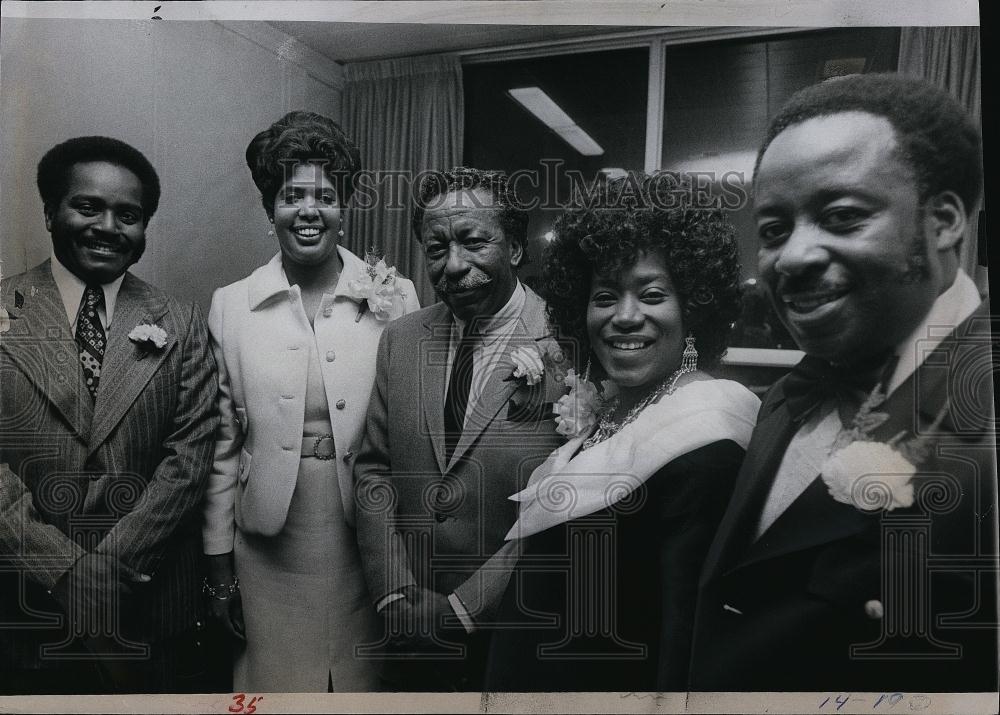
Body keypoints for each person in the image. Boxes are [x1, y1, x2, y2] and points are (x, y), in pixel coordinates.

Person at [688, 73, 998, 691]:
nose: (793, 256)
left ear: (943, 221)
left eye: (842, 216)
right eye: (773, 230)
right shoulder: (787, 396)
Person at [482, 173, 760, 691]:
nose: (625, 317)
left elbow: (685, 647)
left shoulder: (707, 443)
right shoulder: (615, 411)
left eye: (652, 295)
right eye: (605, 296)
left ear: (693, 307)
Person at [200, 111, 420, 692]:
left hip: (367, 536)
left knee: (361, 687)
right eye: (291, 196)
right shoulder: (231, 304)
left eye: (325, 196)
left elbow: (410, 433)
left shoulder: (396, 296)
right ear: (269, 207)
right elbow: (223, 445)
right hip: (269, 543)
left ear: (344, 207)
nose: (308, 211)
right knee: (274, 687)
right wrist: (218, 563)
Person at [0, 136, 218, 693]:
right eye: (87, 207)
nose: (107, 227)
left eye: (128, 215)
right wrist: (63, 569)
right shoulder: (2, 309)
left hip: (148, 605)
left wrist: (107, 570)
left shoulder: (182, 321)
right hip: (26, 606)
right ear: (50, 212)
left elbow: (189, 461)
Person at [353, 167, 566, 691]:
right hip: (406, 632)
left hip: (515, 632)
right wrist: (393, 592)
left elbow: (565, 501)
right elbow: (373, 471)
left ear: (515, 247)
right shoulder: (402, 339)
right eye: (436, 248)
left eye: (473, 242)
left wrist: (463, 608)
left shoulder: (568, 340)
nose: (452, 265)